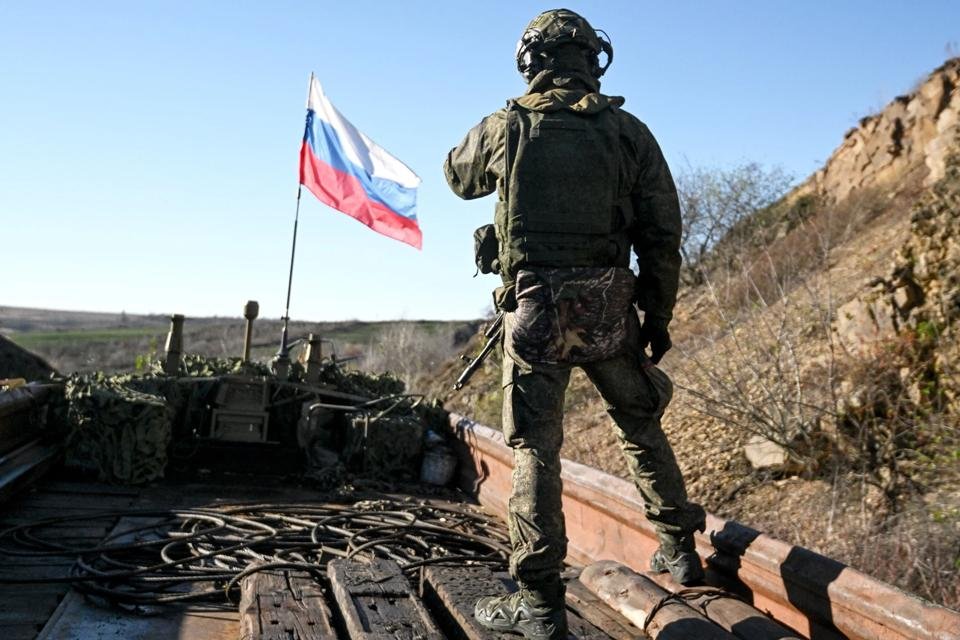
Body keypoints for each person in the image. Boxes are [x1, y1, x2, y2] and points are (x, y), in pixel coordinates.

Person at [443, 9, 707, 640]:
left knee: (537, 450)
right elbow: (663, 234)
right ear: (594, 60)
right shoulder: (628, 132)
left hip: (535, 310)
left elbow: (457, 176)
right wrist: (658, 314)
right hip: (609, 307)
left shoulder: (506, 125)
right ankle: (678, 548)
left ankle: (539, 606)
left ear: (530, 62)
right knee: (638, 423)